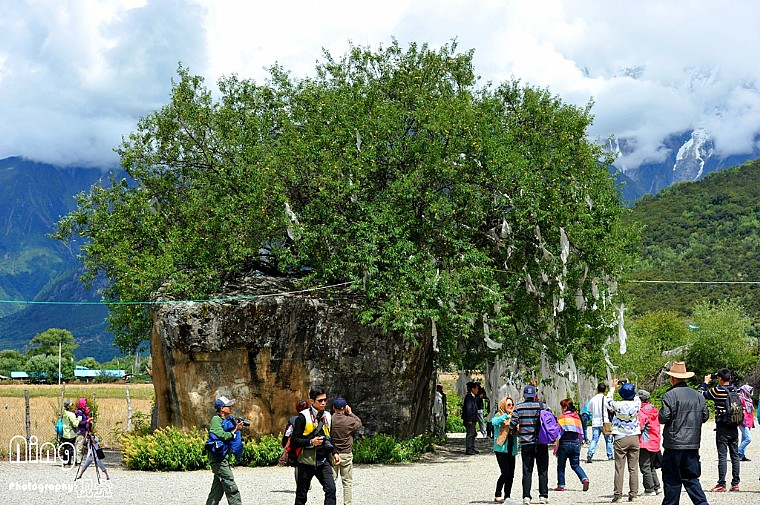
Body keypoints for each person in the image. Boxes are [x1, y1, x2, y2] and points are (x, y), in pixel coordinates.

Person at [659, 361, 709, 505]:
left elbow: (663, 417)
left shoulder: (669, 395)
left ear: (672, 378)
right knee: (692, 479)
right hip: (692, 444)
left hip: (673, 444)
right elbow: (705, 416)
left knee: (672, 480)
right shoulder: (698, 396)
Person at [290, 387, 341, 505]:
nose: (323, 403)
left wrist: (335, 453)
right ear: (312, 401)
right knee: (301, 495)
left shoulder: (328, 416)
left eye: (325, 400)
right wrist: (310, 442)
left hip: (323, 460)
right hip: (306, 461)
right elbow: (294, 440)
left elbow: (330, 437)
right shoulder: (303, 417)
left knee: (331, 489)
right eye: (320, 400)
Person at [699, 368, 740, 491]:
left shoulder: (717, 390)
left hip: (722, 427)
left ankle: (722, 484)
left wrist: (705, 382)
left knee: (722, 456)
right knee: (735, 455)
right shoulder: (735, 389)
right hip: (734, 425)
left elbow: (700, 394)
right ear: (730, 378)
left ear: (720, 379)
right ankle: (735, 483)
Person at [509, 384, 549, 505]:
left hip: (526, 443)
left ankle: (526, 497)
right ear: (535, 394)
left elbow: (512, 424)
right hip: (541, 443)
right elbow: (551, 420)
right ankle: (543, 496)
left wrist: (516, 431)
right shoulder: (543, 406)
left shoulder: (519, 408)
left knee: (527, 471)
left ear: (524, 395)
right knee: (542, 470)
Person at [205, 395, 244, 505]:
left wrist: (235, 426)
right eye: (228, 406)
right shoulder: (216, 420)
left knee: (217, 490)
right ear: (222, 408)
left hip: (222, 459)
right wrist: (235, 429)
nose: (231, 407)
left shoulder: (225, 420)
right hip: (219, 460)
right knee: (231, 486)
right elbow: (221, 435)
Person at [607, 380, 641, 502]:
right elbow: (636, 396)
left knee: (619, 468)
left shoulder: (617, 405)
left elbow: (608, 400)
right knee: (633, 468)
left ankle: (618, 495)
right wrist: (629, 385)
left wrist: (613, 387)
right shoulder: (637, 404)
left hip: (620, 437)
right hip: (634, 436)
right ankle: (634, 494)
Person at [330, 397, 362, 505]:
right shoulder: (349, 421)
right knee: (347, 482)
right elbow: (359, 423)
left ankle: (331, 502)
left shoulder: (330, 420)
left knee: (331, 481)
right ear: (345, 408)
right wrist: (351, 413)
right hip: (346, 453)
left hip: (333, 454)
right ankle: (347, 503)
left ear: (333, 407)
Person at [555, 398, 589, 492]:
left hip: (564, 444)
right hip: (575, 444)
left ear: (565, 407)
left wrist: (556, 447)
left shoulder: (562, 418)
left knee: (561, 466)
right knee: (575, 465)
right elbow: (581, 433)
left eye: (562, 407)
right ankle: (584, 478)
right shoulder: (577, 417)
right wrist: (580, 442)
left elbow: (559, 434)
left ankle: (561, 485)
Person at [491, 397, 518, 503]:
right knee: (505, 472)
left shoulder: (515, 416)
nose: (511, 407)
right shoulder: (499, 415)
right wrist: (506, 416)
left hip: (511, 448)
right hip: (501, 449)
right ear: (503, 405)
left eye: (512, 405)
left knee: (511, 474)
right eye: (508, 405)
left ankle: (507, 495)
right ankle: (497, 494)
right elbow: (494, 422)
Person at [637, 389, 661, 496]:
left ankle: (649, 489)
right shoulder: (654, 409)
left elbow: (640, 426)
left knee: (645, 466)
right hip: (655, 441)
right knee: (651, 465)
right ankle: (657, 486)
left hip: (645, 442)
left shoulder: (641, 411)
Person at [586, 383, 613, 463]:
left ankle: (590, 453)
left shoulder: (593, 399)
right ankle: (610, 455)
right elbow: (610, 409)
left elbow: (589, 410)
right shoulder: (606, 399)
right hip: (605, 421)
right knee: (608, 440)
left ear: (597, 389)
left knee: (594, 439)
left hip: (595, 422)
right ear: (605, 390)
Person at [60, 399, 81, 466]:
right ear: (69, 406)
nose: (73, 406)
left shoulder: (64, 413)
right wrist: (78, 420)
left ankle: (65, 461)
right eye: (72, 405)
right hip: (70, 433)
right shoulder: (71, 414)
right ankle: (68, 462)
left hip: (64, 433)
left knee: (65, 447)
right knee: (70, 448)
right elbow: (75, 424)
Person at [462, 381, 480, 455]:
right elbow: (468, 408)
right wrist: (469, 419)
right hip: (470, 419)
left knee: (473, 433)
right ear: (473, 389)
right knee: (470, 434)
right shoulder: (469, 397)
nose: (477, 390)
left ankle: (472, 447)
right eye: (476, 388)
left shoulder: (473, 397)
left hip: (473, 419)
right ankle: (469, 449)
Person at [738, 384, 754, 462]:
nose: (750, 392)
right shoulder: (740, 398)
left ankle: (742, 455)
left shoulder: (749, 399)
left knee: (744, 438)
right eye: (749, 391)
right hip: (743, 421)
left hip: (749, 421)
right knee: (748, 438)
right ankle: (738, 451)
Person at [74, 397, 91, 465]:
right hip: (80, 431)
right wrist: (87, 421)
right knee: (79, 446)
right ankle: (78, 461)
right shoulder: (79, 413)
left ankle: (78, 460)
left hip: (83, 431)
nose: (86, 405)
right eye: (85, 403)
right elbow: (79, 423)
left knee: (80, 446)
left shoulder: (82, 412)